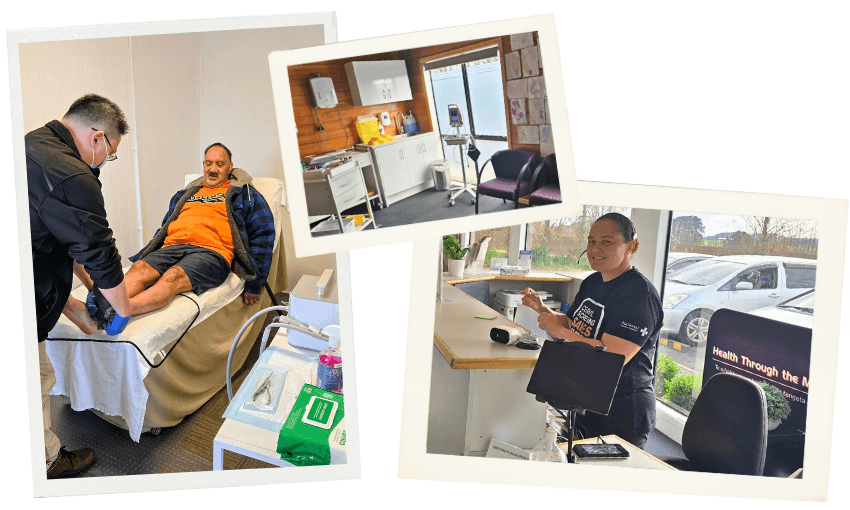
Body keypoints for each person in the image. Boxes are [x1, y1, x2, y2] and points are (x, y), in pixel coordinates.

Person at [27, 94, 133, 478]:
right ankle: (46, 462)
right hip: (23, 297)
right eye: (112, 151)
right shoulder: (72, 174)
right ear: (97, 137)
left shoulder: (32, 144)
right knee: (36, 379)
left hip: (32, 277)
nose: (107, 160)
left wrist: (89, 290)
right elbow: (98, 249)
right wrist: (122, 309)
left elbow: (65, 239)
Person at [84, 142, 275, 321]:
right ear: (203, 164)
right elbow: (165, 227)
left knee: (172, 276)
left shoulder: (244, 193)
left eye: (220, 164)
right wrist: (148, 252)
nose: (213, 169)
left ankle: (119, 311)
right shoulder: (185, 194)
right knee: (140, 268)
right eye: (209, 163)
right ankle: (104, 304)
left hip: (211, 252)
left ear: (230, 167)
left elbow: (263, 233)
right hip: (173, 246)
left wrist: (255, 283)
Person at [522, 213, 663, 449]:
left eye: (606, 241)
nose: (595, 248)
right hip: (585, 397)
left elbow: (610, 357)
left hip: (622, 411)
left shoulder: (639, 294)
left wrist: (559, 331)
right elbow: (572, 324)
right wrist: (543, 309)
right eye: (591, 241)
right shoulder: (592, 282)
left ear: (631, 246)